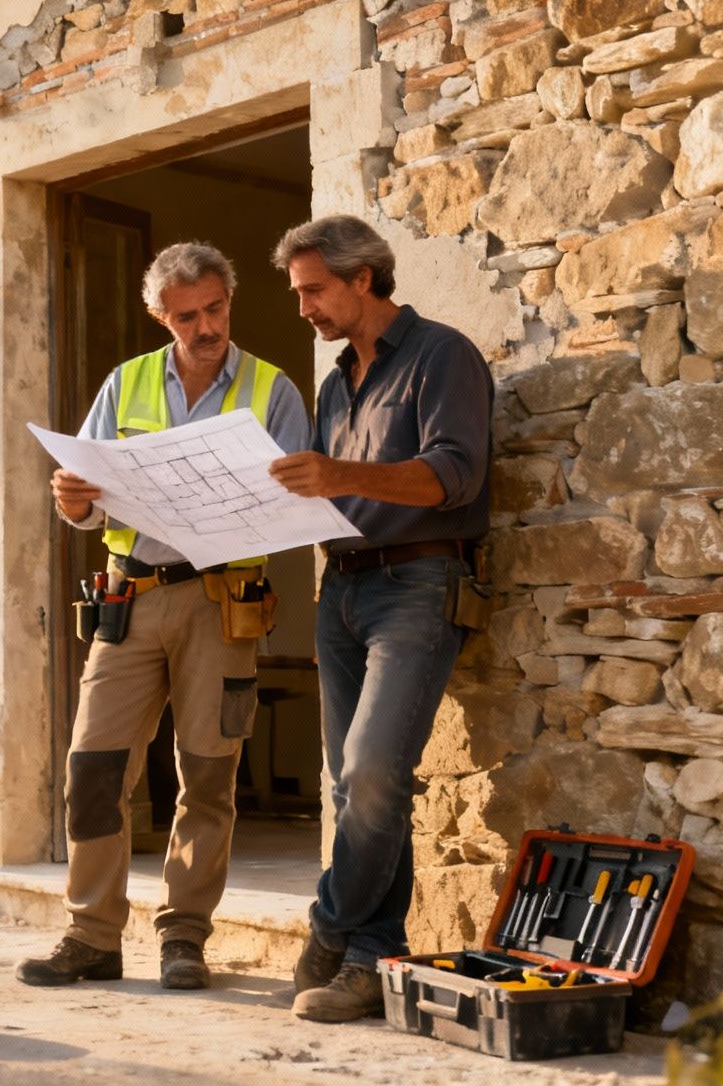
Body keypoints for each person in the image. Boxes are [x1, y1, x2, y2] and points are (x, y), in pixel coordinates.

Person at [18, 242, 310, 991]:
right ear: (160, 314)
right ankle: (91, 936)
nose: (206, 326)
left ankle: (184, 937)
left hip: (223, 607)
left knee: (209, 778)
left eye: (216, 308)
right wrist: (73, 502)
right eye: (188, 316)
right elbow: (85, 497)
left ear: (230, 299)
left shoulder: (272, 389)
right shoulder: (127, 383)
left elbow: (298, 503)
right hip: (132, 598)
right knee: (93, 771)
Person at [266, 215, 494, 1023]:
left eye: (314, 290)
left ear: (365, 278)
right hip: (342, 589)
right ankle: (374, 959)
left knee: (370, 769)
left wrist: (337, 472)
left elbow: (454, 476)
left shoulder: (443, 355)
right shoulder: (335, 383)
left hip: (421, 584)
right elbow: (328, 488)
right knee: (355, 787)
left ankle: (330, 930)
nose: (304, 309)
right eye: (298, 293)